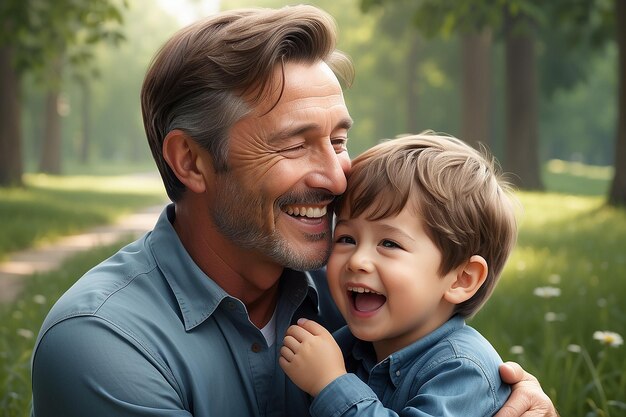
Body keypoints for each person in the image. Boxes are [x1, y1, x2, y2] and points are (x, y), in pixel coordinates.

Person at [30, 5, 557, 417]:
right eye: (295, 144)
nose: (335, 177)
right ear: (190, 161)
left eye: (339, 139)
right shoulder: (103, 344)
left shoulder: (356, 290)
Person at [280, 132, 518, 416]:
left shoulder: (463, 370)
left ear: (461, 278)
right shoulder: (348, 347)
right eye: (346, 238)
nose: (358, 261)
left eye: (389, 244)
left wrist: (330, 383)